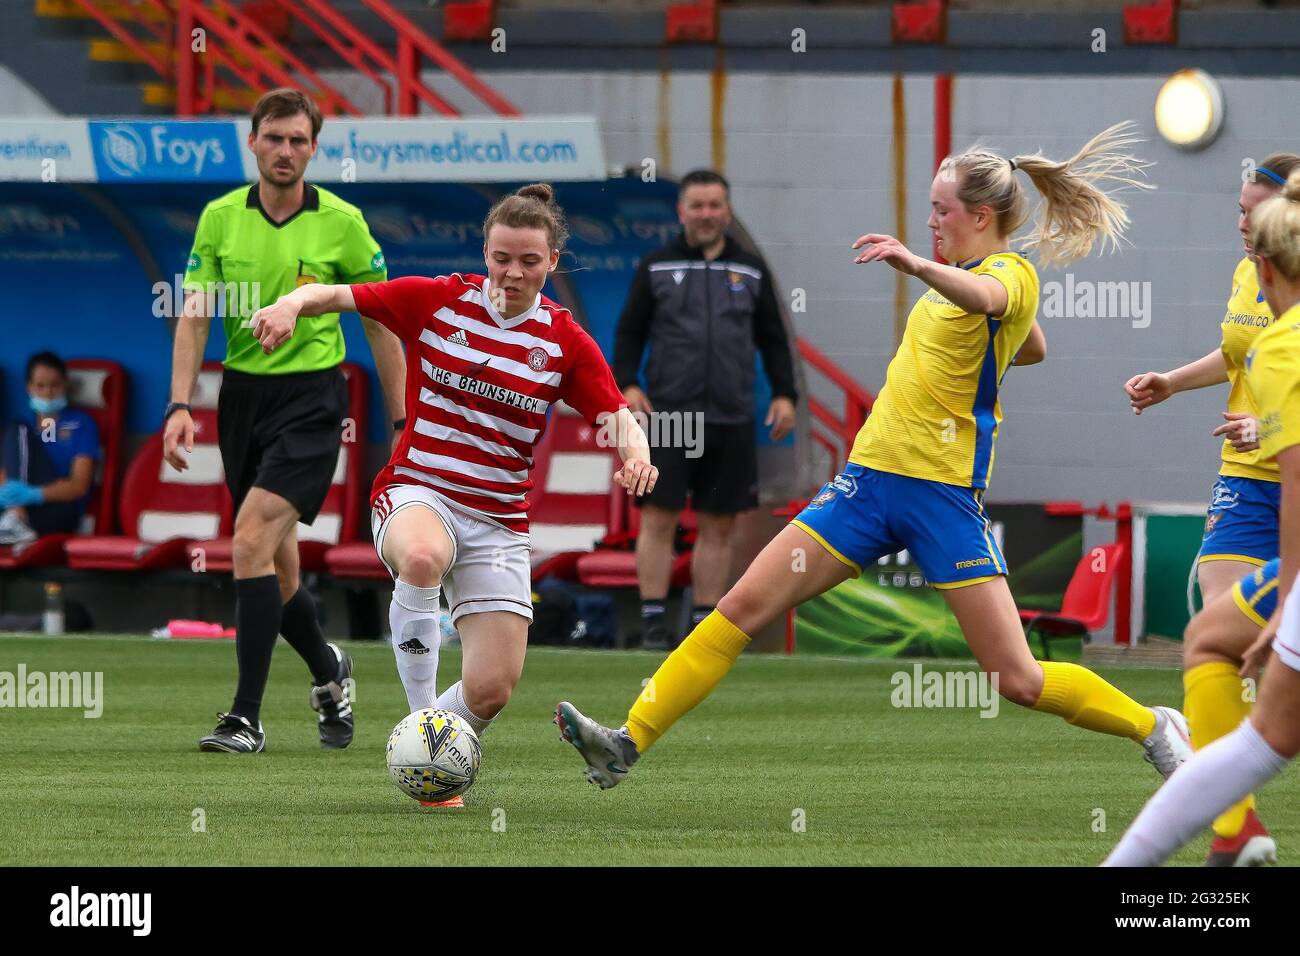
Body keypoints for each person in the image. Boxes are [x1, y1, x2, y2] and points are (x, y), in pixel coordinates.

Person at [556, 123, 1193, 796]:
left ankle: (1154, 727)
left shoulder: (1008, 273)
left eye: (941, 210)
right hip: (865, 487)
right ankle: (627, 741)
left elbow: (992, 300)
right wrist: (995, 334)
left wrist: (917, 265)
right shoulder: (975, 282)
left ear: (979, 216)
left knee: (1018, 679)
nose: (930, 221)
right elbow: (1029, 343)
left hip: (940, 497)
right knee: (739, 607)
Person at [251, 183, 656, 805]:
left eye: (528, 261)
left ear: (552, 262)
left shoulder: (563, 341)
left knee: (492, 687)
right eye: (501, 258)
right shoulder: (439, 300)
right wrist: (288, 305)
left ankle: (427, 761)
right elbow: (334, 294)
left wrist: (637, 453)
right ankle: (422, 728)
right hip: (417, 491)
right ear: (485, 252)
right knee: (420, 558)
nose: (512, 273)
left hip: (498, 520)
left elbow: (616, 411)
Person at [165, 88, 406, 754]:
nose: (286, 150)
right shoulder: (218, 218)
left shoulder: (343, 222)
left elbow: (382, 321)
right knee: (278, 575)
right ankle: (331, 672)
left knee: (245, 541)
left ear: (314, 149)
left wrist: (400, 419)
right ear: (253, 141)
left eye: (299, 140)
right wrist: (180, 404)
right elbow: (194, 315)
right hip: (241, 399)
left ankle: (245, 718)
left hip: (313, 402)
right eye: (275, 137)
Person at [1104, 169, 1300, 867]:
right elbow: (1236, 354)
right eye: (1238, 209)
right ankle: (1236, 824)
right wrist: (1171, 383)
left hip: (1285, 470)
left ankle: (1229, 823)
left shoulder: (1289, 323)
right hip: (1250, 476)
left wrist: (1275, 431)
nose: (1242, 224)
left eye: (1256, 213)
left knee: (1233, 646)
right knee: (1218, 640)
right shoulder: (1252, 281)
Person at [613, 169, 798, 650]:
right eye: (697, 205)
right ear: (682, 211)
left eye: (715, 205)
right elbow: (629, 332)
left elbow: (774, 339)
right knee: (659, 516)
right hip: (672, 417)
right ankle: (653, 620)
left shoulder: (752, 269)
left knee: (718, 523)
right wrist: (628, 384)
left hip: (732, 417)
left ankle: (701, 623)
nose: (706, 214)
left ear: (727, 210)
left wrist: (784, 395)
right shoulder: (655, 265)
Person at [0, 352, 99, 545]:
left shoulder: (81, 423)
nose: (48, 392)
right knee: (17, 429)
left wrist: (34, 494)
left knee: (18, 428)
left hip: (58, 505)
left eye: (55, 385)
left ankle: (15, 519)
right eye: (40, 386)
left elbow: (79, 485)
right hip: (22, 509)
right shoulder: (21, 429)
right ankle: (14, 518)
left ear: (65, 385)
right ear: (29, 388)